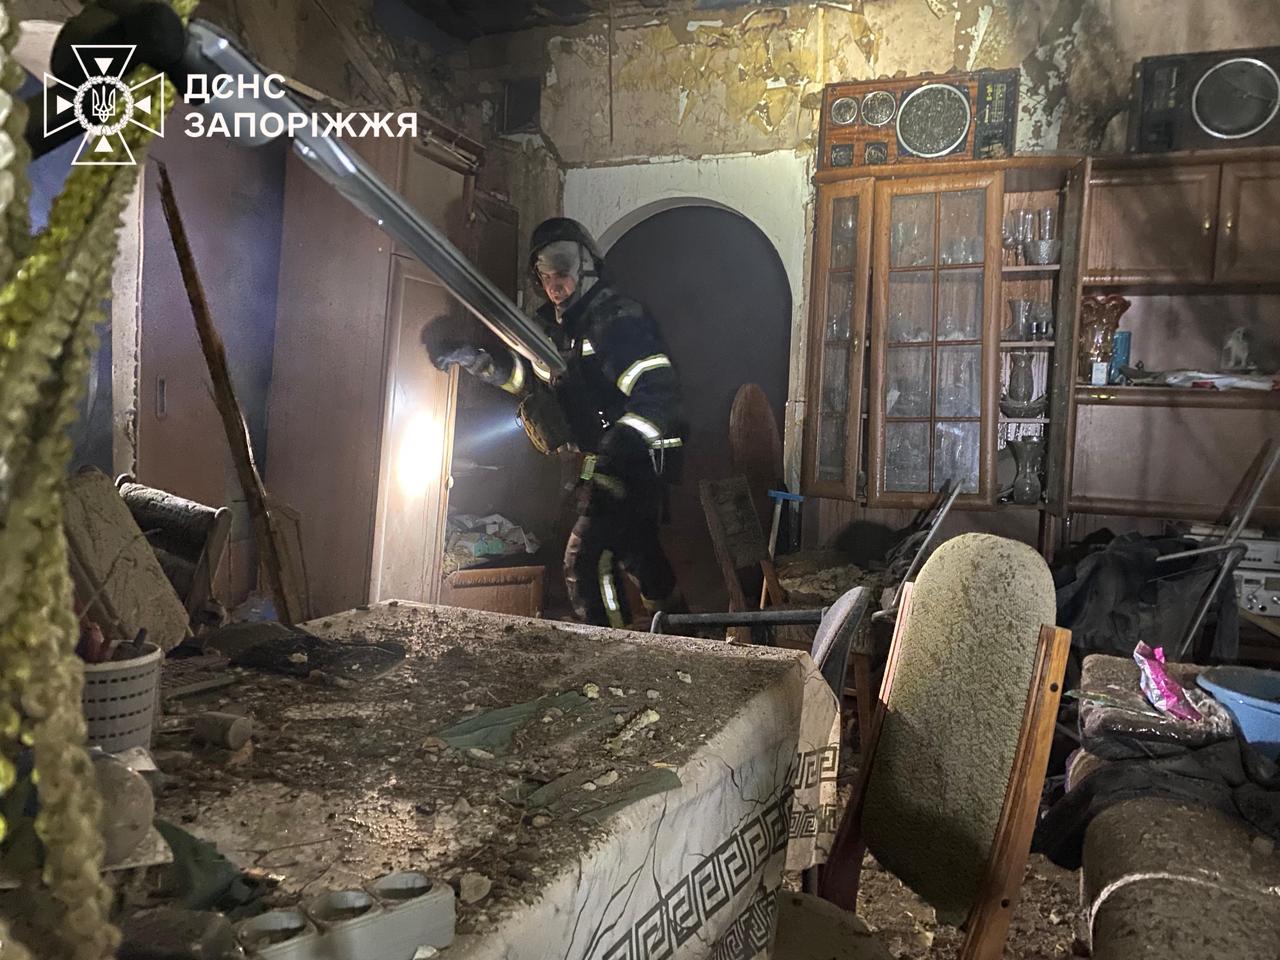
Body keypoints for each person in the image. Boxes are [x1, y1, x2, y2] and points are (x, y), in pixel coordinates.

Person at [430, 218, 685, 627]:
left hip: (636, 462)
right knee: (638, 551)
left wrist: (622, 444)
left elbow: (659, 394)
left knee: (586, 560)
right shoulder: (548, 329)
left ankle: (611, 651)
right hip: (598, 459)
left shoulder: (617, 319)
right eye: (545, 274)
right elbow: (526, 378)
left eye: (562, 270)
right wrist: (473, 357)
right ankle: (679, 630)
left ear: (587, 267)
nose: (554, 284)